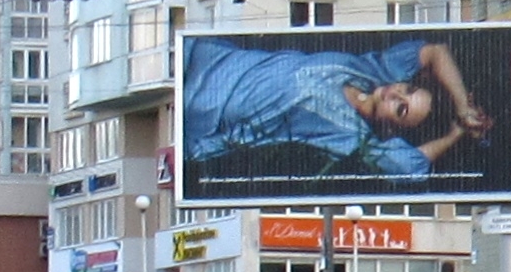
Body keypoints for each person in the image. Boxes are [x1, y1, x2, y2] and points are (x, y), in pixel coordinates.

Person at [183, 34, 492, 188]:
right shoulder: (373, 71)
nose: (395, 94)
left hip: (199, 111)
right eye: (407, 90)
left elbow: (409, 166)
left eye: (401, 109)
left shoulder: (352, 137)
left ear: (392, 129)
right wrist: (463, 105)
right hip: (204, 57)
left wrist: (455, 135)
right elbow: (434, 52)